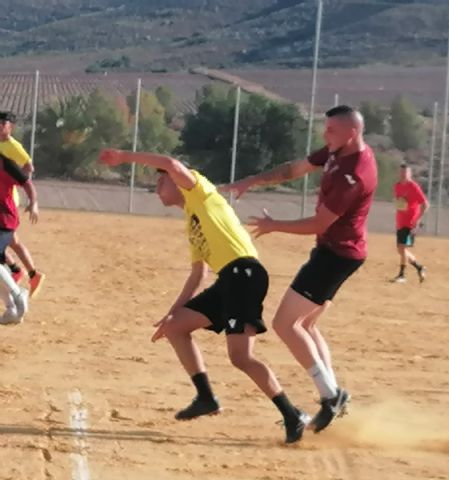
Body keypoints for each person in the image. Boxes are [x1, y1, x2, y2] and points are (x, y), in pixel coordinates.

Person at [98, 149, 309, 444]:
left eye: (161, 183)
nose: (157, 190)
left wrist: (123, 156)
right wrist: (173, 312)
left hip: (245, 275)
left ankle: (292, 414)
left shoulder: (201, 192)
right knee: (176, 327)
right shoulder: (191, 220)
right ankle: (206, 397)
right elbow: (199, 274)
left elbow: (170, 163)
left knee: (241, 357)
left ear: (176, 180)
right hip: (228, 279)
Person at [222, 105, 378, 433]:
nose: (325, 135)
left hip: (337, 256)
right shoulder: (339, 150)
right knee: (305, 323)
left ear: (352, 133)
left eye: (331, 130)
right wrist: (253, 180)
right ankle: (334, 395)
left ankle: (330, 395)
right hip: (337, 252)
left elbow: (320, 223)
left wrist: (274, 225)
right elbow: (296, 168)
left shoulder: (355, 173)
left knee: (284, 324)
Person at [0, 111, 45, 297]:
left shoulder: (13, 147)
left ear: (12, 127)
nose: (0, 126)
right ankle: (29, 274)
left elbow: (28, 168)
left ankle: (18, 278)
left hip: (7, 201)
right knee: (14, 242)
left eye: (3, 123)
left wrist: (19, 185)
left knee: (10, 241)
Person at [0, 145, 39, 325]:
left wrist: (34, 202)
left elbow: (26, 182)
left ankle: (18, 296)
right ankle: (11, 309)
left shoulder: (5, 163)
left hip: (4, 219)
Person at [391, 164, 427, 284]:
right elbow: (399, 202)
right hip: (400, 221)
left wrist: (418, 220)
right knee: (400, 250)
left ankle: (402, 275)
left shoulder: (414, 187)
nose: (403, 175)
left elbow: (425, 204)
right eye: (401, 173)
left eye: (405, 173)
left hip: (411, 223)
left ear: (410, 174)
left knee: (402, 247)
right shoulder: (396, 186)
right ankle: (419, 267)